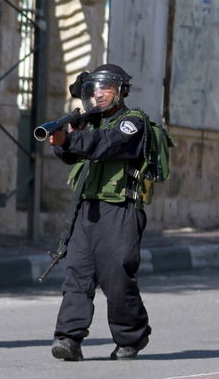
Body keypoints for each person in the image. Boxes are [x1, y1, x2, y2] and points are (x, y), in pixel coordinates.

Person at [47, 64, 152, 361]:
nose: (99, 93)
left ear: (122, 91)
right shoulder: (90, 124)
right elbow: (71, 155)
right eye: (95, 88)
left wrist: (73, 139)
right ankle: (68, 339)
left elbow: (108, 145)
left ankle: (133, 334)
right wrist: (65, 140)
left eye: (106, 88)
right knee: (77, 274)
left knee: (116, 275)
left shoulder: (132, 123)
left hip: (120, 210)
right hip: (87, 209)